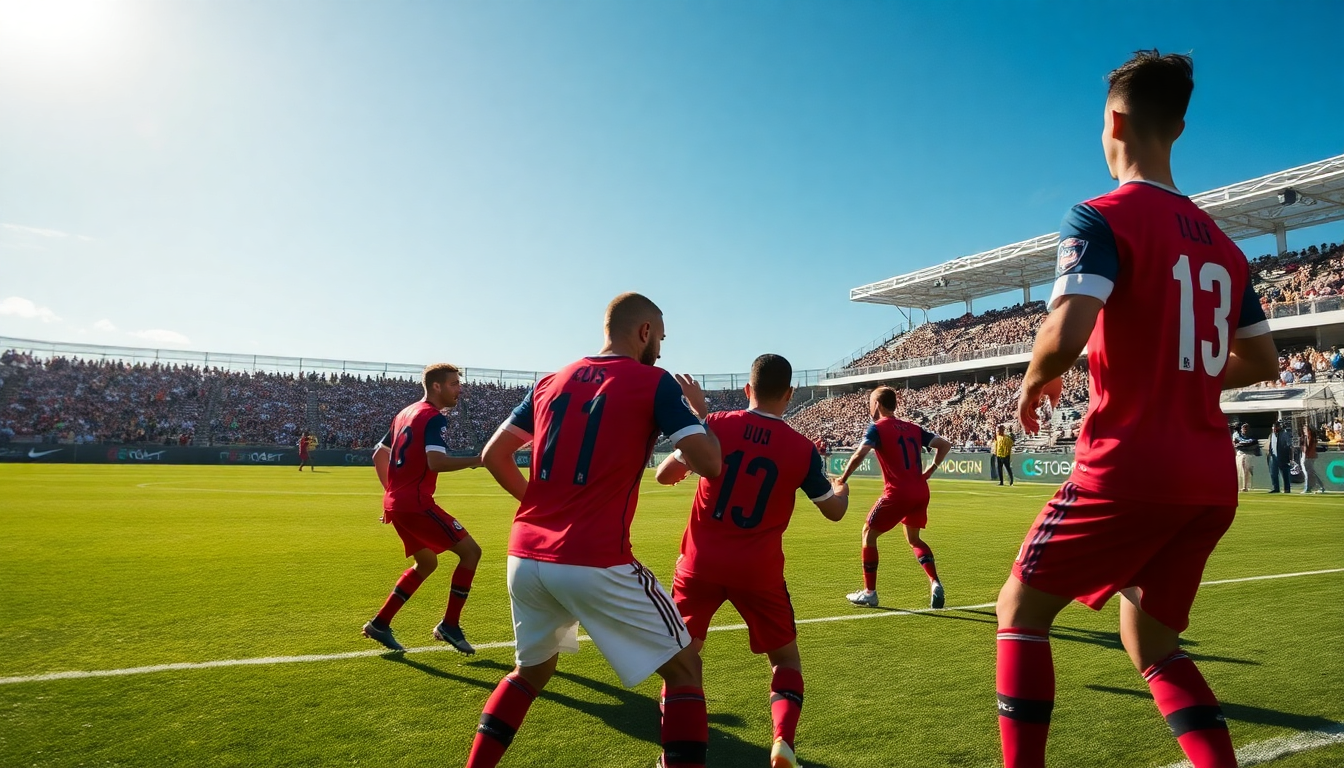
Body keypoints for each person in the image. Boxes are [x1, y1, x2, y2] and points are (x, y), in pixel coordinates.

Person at [999, 51, 1278, 768]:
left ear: (1113, 121)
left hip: (1129, 467)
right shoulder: (1227, 247)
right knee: (1151, 643)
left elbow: (1066, 330)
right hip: (1210, 480)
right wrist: (1182, 373)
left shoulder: (1098, 215)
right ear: (1178, 128)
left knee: (1019, 612)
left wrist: (1035, 378)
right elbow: (1262, 364)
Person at [468, 293, 722, 768]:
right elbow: (710, 463)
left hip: (525, 556)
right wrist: (699, 413)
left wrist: (542, 506)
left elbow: (493, 456)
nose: (662, 351)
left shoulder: (549, 380)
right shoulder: (654, 382)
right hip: (594, 557)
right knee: (685, 668)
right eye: (660, 338)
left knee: (531, 671)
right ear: (644, 332)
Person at [654, 354, 849, 768]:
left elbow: (665, 475)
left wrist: (699, 427)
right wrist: (841, 490)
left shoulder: (719, 424)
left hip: (699, 565)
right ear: (790, 394)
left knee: (682, 663)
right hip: (758, 572)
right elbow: (833, 511)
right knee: (786, 661)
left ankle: (675, 755)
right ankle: (783, 741)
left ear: (748, 389)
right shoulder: (801, 448)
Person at [361, 364, 484, 655]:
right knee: (471, 552)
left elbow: (379, 454)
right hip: (416, 504)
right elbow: (436, 462)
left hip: (397, 503)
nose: (459, 389)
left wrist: (390, 494)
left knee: (427, 563)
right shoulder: (433, 418)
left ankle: (380, 623)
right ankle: (450, 625)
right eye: (454, 384)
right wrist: (478, 460)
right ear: (437, 386)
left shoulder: (405, 413)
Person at [834, 386, 952, 610]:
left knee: (868, 534)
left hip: (898, 492)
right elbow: (945, 445)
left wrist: (843, 478)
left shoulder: (877, 428)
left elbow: (861, 453)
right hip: (920, 491)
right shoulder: (913, 428)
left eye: (870, 402)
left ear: (877, 404)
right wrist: (930, 470)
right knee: (914, 540)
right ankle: (935, 582)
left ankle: (870, 592)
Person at [1266, 421, 1293, 494]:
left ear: (1279, 427)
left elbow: (1289, 446)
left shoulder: (1284, 434)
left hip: (1283, 457)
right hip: (1273, 457)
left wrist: (1290, 457)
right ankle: (1276, 488)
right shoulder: (1271, 435)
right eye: (1273, 428)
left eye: (1276, 427)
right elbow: (1270, 445)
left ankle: (1287, 489)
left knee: (1285, 474)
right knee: (1273, 473)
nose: (1274, 429)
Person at [1232, 424, 1258, 492]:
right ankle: (1240, 486)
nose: (1245, 430)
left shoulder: (1252, 438)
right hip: (1240, 454)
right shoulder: (1238, 437)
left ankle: (1245, 486)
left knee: (1246, 470)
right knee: (1239, 470)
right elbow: (1236, 445)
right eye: (1244, 429)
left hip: (1249, 455)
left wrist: (1242, 444)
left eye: (1246, 429)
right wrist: (1242, 445)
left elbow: (1252, 444)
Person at [1300, 423, 1325, 494]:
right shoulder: (1306, 438)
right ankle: (1318, 487)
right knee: (1311, 473)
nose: (1304, 430)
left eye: (1306, 429)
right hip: (1306, 456)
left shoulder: (1310, 438)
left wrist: (1306, 455)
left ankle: (1308, 488)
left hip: (1308, 457)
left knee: (1309, 473)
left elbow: (1309, 448)